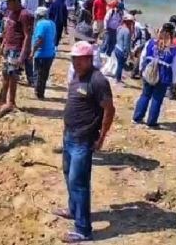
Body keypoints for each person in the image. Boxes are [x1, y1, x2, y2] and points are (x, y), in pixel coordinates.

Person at [54, 41, 115, 243]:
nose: (75, 62)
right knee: (67, 175)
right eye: (73, 58)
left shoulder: (98, 81)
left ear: (89, 59)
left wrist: (101, 137)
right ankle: (73, 210)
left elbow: (109, 109)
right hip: (69, 135)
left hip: (83, 139)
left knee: (78, 183)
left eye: (79, 59)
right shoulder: (76, 75)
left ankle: (83, 230)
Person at [132, 23, 176, 128]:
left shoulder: (151, 42)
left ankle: (137, 118)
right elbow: (175, 68)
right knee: (157, 99)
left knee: (145, 95)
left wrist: (141, 69)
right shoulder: (174, 49)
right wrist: (174, 81)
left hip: (148, 72)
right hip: (163, 76)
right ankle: (151, 122)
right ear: (172, 34)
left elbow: (143, 57)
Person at [0, 0, 33, 117]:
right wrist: (3, 44)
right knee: (5, 74)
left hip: (16, 49)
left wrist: (23, 55)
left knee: (13, 76)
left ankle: (11, 102)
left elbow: (28, 36)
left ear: (16, 1)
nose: (6, 5)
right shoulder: (10, 12)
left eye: (8, 2)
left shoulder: (25, 15)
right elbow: (7, 29)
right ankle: (4, 100)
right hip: (8, 47)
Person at [30, 7, 56, 99]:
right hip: (50, 53)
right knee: (44, 74)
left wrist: (32, 52)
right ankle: (41, 92)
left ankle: (38, 93)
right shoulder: (52, 23)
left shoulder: (41, 24)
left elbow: (39, 40)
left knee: (38, 73)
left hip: (41, 53)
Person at [115, 13, 134, 83]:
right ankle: (118, 79)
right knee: (120, 66)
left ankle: (118, 77)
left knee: (119, 65)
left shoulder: (119, 28)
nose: (132, 23)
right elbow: (126, 44)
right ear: (129, 22)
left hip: (116, 48)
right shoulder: (127, 31)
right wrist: (128, 54)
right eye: (131, 22)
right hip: (121, 51)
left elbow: (118, 38)